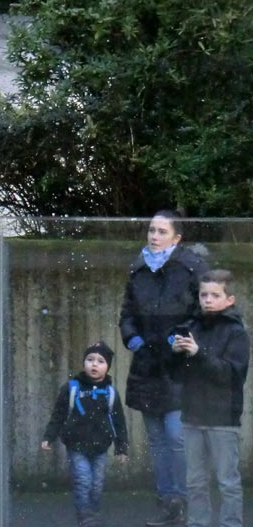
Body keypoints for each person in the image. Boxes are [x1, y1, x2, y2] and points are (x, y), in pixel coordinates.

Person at [118, 210, 210, 527]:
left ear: (177, 237)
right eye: (151, 230)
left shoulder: (192, 268)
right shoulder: (139, 267)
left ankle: (185, 502)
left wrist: (177, 337)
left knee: (177, 436)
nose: (154, 236)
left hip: (179, 364)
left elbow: (203, 311)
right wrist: (134, 341)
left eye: (161, 231)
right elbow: (127, 312)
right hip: (146, 362)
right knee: (157, 439)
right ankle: (168, 504)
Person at [168, 269, 249, 527]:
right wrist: (175, 353)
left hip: (223, 417)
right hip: (192, 415)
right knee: (195, 482)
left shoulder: (236, 332)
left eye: (215, 295)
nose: (208, 300)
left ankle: (231, 524)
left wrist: (197, 354)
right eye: (204, 294)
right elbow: (175, 375)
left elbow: (232, 375)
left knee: (227, 482)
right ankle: (197, 524)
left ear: (230, 300)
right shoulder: (191, 327)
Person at [41, 341, 129, 527]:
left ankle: (93, 514)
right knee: (83, 480)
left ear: (108, 367)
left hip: (101, 447)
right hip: (76, 445)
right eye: (90, 359)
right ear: (83, 363)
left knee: (97, 484)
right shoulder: (71, 388)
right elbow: (58, 414)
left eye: (100, 361)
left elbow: (119, 422)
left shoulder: (111, 393)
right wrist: (49, 436)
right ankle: (85, 516)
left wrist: (122, 448)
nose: (94, 364)